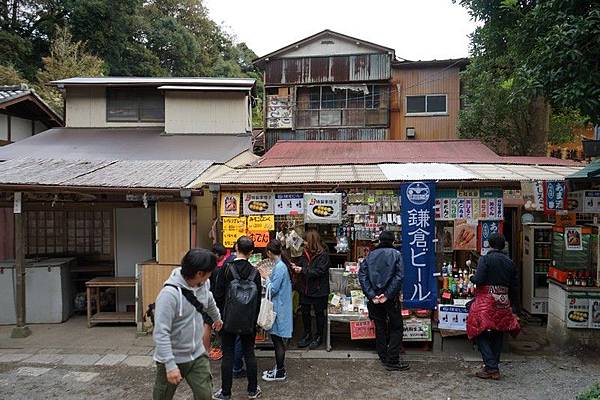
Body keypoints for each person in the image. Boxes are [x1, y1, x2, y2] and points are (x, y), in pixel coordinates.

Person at [153, 248, 223, 400]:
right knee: (162, 396)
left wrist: (216, 317)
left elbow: (209, 300)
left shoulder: (204, 283)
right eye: (210, 271)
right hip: (172, 357)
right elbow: (160, 333)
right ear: (199, 273)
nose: (211, 274)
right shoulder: (169, 296)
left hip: (197, 354)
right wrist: (170, 366)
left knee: (205, 395)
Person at [213, 236, 263, 400]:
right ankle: (252, 390)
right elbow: (257, 301)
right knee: (249, 353)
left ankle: (225, 392)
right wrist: (254, 320)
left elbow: (218, 295)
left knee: (227, 354)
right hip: (248, 320)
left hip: (228, 319)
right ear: (251, 252)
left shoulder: (226, 268)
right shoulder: (255, 272)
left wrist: (219, 317)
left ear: (235, 248)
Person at [467, 233, 520, 380]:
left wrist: (471, 277)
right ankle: (492, 366)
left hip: (487, 301)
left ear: (489, 244)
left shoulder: (486, 259)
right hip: (503, 301)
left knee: (478, 330)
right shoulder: (510, 262)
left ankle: (491, 367)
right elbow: (515, 286)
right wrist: (514, 307)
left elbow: (479, 279)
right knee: (499, 331)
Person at [358, 231, 409, 371]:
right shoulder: (396, 255)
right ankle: (392, 359)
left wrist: (372, 295)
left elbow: (362, 276)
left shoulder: (370, 255)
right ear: (393, 241)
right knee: (396, 327)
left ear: (379, 240)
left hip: (375, 298)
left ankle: (383, 355)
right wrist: (387, 294)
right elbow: (399, 276)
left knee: (380, 326)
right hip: (390, 298)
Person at [260, 240, 293, 382]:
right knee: (278, 340)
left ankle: (280, 371)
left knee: (278, 340)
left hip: (279, 308)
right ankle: (279, 369)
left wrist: (266, 277)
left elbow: (273, 289)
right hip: (281, 306)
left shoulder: (279, 267)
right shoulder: (281, 265)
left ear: (269, 252)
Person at [293, 230, 331, 349]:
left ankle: (319, 336)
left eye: (305, 240)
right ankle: (307, 334)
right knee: (305, 313)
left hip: (319, 290)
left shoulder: (323, 255)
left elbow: (319, 271)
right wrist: (296, 266)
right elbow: (303, 265)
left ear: (311, 241)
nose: (304, 243)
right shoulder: (305, 253)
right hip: (305, 289)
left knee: (319, 313)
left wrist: (302, 270)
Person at [204, 244, 228, 361]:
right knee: (208, 325)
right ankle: (207, 350)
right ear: (216, 254)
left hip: (205, 298)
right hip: (210, 299)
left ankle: (206, 349)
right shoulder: (213, 267)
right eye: (222, 257)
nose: (222, 259)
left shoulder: (205, 263)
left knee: (207, 324)